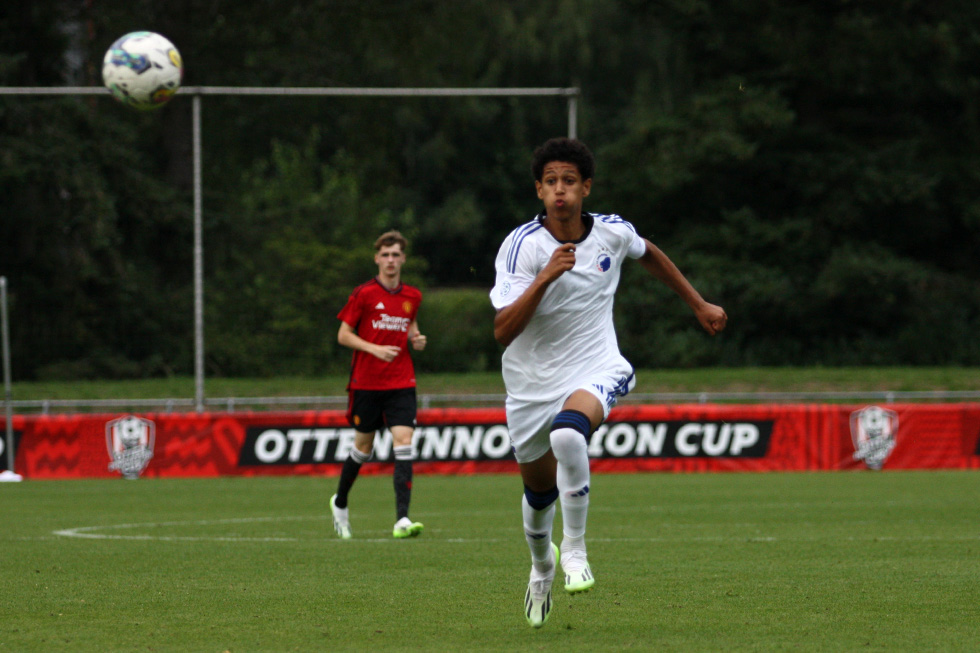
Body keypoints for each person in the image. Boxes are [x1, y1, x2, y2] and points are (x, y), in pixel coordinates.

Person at [489, 138, 727, 627]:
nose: (560, 191)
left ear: (586, 187)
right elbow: (502, 331)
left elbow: (649, 253)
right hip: (530, 385)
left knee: (569, 432)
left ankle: (575, 550)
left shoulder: (613, 234)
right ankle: (542, 568)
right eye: (551, 182)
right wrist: (545, 278)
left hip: (597, 366)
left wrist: (698, 303)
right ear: (538, 190)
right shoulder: (522, 247)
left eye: (569, 181)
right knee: (537, 497)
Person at [330, 230, 428, 540]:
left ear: (403, 259)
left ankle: (402, 518)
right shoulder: (364, 294)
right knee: (364, 448)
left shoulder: (412, 296)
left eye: (396, 254)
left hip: (401, 381)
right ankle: (340, 502)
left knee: (404, 441)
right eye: (385, 255)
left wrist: (416, 339)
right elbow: (343, 335)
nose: (390, 260)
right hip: (367, 384)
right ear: (377, 258)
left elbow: (410, 326)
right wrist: (373, 348)